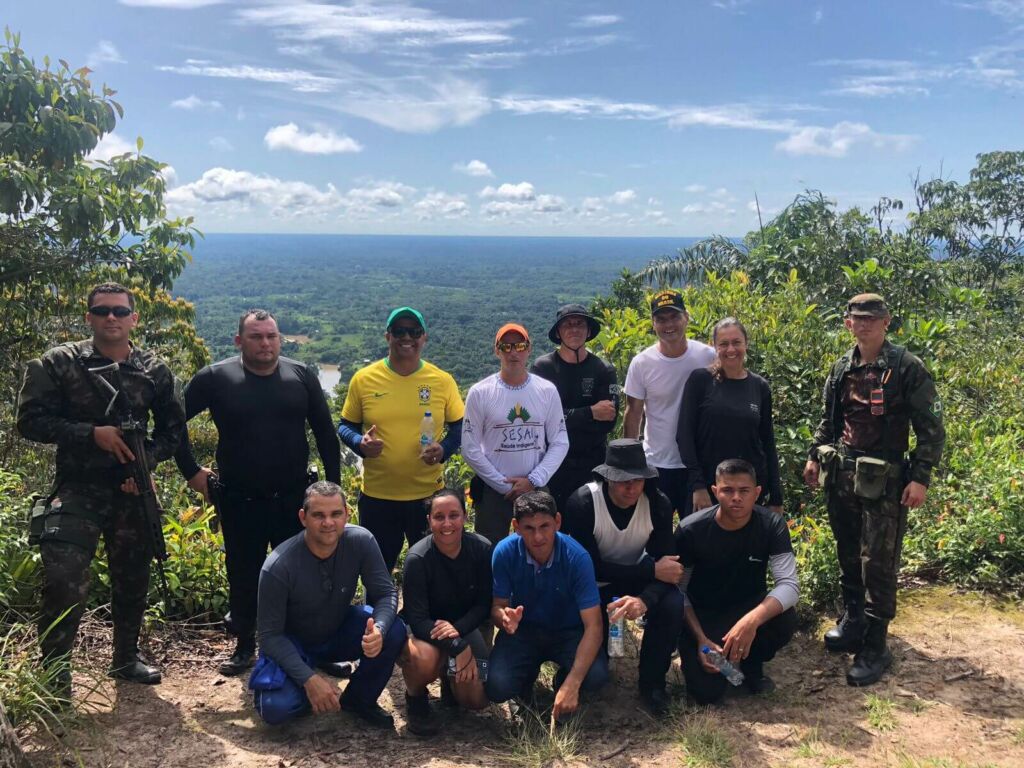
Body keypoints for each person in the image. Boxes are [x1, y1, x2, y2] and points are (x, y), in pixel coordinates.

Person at [16, 282, 186, 692]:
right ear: (89, 317)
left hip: (131, 491)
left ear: (134, 319)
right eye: (103, 310)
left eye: (120, 311)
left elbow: (173, 432)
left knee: (133, 578)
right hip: (78, 488)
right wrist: (90, 433)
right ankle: (55, 676)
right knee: (64, 580)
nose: (112, 317)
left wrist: (143, 461)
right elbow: (30, 421)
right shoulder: (59, 363)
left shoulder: (155, 370)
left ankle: (126, 660)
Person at [174, 308, 341, 676]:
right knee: (244, 573)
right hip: (239, 499)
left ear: (280, 338)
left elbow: (325, 435)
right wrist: (191, 472)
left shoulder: (300, 376)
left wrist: (333, 491)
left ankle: (312, 646)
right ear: (239, 341)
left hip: (294, 498)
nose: (265, 343)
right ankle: (245, 646)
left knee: (306, 574)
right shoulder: (216, 378)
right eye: (256, 336)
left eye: (271, 336)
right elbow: (173, 424)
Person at [803, 293, 945, 686]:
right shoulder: (841, 368)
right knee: (848, 552)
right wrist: (815, 456)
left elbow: (931, 429)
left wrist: (920, 477)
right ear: (848, 323)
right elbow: (828, 422)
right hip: (843, 474)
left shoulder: (906, 367)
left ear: (886, 322)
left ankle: (876, 643)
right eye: (857, 318)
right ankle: (853, 621)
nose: (864, 324)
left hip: (886, 479)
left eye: (872, 318)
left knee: (878, 561)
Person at [249, 482, 405, 728]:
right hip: (294, 643)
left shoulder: (361, 541)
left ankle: (359, 699)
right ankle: (310, 690)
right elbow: (269, 637)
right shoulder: (279, 565)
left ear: (347, 514)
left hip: (337, 630)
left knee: (394, 630)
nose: (328, 523)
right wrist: (309, 680)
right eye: (318, 515)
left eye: (335, 514)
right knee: (275, 709)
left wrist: (380, 629)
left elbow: (385, 593)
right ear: (303, 517)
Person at [561, 439, 684, 717]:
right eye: (623, 481)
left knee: (671, 604)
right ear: (606, 478)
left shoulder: (658, 504)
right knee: (597, 673)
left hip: (636, 577)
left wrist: (644, 600)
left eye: (638, 480)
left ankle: (653, 683)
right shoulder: (582, 503)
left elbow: (670, 569)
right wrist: (650, 571)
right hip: (594, 585)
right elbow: (589, 568)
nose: (631, 488)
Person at [338, 307, 464, 573]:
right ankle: (380, 616)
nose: (407, 337)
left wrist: (444, 450)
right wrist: (359, 443)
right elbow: (344, 425)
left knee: (432, 570)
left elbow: (460, 426)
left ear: (424, 337)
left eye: (414, 331)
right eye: (399, 331)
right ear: (388, 336)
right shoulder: (364, 379)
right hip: (378, 497)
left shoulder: (442, 380)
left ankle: (425, 616)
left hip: (429, 497)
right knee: (377, 571)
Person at [676, 459, 799, 705]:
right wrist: (700, 637)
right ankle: (724, 665)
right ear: (714, 492)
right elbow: (678, 592)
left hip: (748, 609)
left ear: (757, 493)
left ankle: (750, 664)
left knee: (785, 618)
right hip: (705, 617)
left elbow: (789, 585)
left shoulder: (772, 525)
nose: (736, 498)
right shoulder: (691, 530)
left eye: (744, 491)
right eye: (727, 490)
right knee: (707, 693)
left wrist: (751, 621)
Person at [486, 492, 608, 720]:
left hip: (569, 632)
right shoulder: (504, 552)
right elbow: (497, 606)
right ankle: (523, 687)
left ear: (558, 522)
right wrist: (504, 618)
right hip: (524, 631)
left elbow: (594, 626)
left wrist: (573, 682)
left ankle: (564, 684)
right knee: (496, 686)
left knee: (597, 676)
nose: (538, 536)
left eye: (545, 526)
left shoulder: (577, 557)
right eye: (529, 528)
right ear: (516, 527)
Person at [462, 323, 569, 547]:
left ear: (529, 349)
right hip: (494, 492)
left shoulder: (546, 391)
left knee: (541, 549)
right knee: (490, 552)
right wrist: (503, 485)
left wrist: (533, 480)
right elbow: (470, 448)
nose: (513, 352)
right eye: (506, 346)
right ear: (497, 350)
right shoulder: (480, 393)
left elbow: (560, 441)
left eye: (519, 345)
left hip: (536, 487)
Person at [400, 489, 491, 737]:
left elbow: (484, 605)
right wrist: (458, 646)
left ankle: (451, 684)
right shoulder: (417, 558)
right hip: (424, 632)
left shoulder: (482, 550)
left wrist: (459, 632)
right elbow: (417, 620)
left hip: (462, 627)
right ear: (429, 520)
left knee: (476, 701)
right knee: (425, 659)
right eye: (439, 517)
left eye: (454, 515)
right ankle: (416, 699)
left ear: (465, 516)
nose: (447, 523)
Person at [623, 290, 715, 520]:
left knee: (695, 535)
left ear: (686, 317)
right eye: (661, 319)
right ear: (653, 324)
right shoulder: (642, 363)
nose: (669, 325)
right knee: (654, 534)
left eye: (674, 317)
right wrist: (629, 465)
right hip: (657, 463)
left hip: (698, 464)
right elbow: (632, 413)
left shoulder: (708, 356)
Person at [676, 317, 784, 514]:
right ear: (714, 347)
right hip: (709, 488)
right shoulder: (700, 381)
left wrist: (776, 496)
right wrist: (697, 486)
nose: (731, 349)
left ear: (746, 344)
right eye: (724, 344)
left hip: (748, 491)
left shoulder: (759, 387)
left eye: (736, 342)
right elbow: (684, 436)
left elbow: (767, 442)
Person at [530, 304, 618, 513]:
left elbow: (608, 421)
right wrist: (590, 413)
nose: (574, 329)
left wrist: (564, 418)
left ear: (589, 331)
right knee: (554, 524)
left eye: (580, 324)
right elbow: (541, 421)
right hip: (554, 464)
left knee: (591, 523)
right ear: (558, 332)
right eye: (567, 324)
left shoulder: (603, 369)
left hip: (594, 462)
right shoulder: (543, 368)